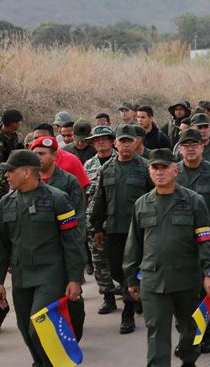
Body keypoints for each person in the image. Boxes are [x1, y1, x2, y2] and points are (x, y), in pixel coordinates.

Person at [123, 148, 210, 367]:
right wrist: (131, 278)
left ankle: (188, 361)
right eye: (154, 168)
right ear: (149, 172)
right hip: (153, 279)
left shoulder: (194, 201)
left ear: (175, 170)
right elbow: (133, 244)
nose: (159, 173)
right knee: (156, 330)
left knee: (190, 329)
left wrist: (209, 272)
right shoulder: (141, 204)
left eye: (164, 168)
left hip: (186, 279)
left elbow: (204, 240)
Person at [0, 150, 85, 366]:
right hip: (22, 277)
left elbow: (73, 242)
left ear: (26, 173)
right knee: (26, 331)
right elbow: (1, 248)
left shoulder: (57, 199)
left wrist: (74, 278)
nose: (6, 176)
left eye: (10, 171)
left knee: (40, 329)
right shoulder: (6, 203)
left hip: (50, 275)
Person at [90, 124, 154, 334]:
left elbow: (154, 198)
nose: (126, 145)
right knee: (116, 268)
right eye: (122, 141)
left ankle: (127, 312)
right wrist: (97, 227)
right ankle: (135, 292)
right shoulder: (106, 168)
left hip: (138, 230)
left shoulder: (146, 167)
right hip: (113, 229)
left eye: (129, 141)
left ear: (136, 142)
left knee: (133, 269)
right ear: (115, 143)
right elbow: (100, 199)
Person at [175, 128, 210, 354]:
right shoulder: (173, 172)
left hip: (207, 240)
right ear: (180, 149)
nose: (190, 149)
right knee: (180, 290)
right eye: (186, 145)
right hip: (179, 241)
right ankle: (185, 334)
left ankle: (206, 332)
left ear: (202, 147)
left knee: (205, 288)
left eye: (194, 144)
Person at [30, 136, 88, 339]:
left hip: (66, 248)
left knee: (72, 297)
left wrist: (76, 250)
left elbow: (79, 217)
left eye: (43, 154)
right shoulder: (28, 182)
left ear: (54, 156)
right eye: (35, 154)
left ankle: (75, 334)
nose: (38, 158)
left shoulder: (69, 181)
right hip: (41, 253)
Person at [83, 125, 119, 315]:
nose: (100, 142)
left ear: (113, 140)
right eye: (97, 140)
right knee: (99, 261)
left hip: (116, 219)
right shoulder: (88, 165)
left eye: (104, 138)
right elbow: (85, 194)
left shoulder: (121, 161)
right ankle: (108, 296)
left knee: (122, 260)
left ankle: (131, 293)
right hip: (93, 220)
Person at [0, 109, 24, 197]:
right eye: (18, 121)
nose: (20, 123)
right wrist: (4, 187)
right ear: (13, 124)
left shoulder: (15, 136)